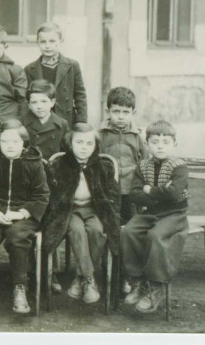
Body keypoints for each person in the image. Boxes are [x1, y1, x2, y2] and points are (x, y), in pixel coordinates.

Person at [0, 119, 49, 314]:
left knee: (17, 236)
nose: (10, 146)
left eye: (15, 141)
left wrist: (22, 212)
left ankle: (20, 286)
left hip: (23, 214)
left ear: (24, 143)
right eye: (5, 142)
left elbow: (41, 195)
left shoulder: (34, 164)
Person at [42, 123, 120, 304]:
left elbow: (113, 195)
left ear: (95, 146)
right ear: (70, 143)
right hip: (70, 210)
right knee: (76, 230)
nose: (84, 148)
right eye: (79, 142)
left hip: (94, 210)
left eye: (88, 144)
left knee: (97, 231)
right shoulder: (60, 165)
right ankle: (89, 278)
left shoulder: (103, 166)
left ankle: (80, 277)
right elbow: (53, 195)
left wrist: (109, 212)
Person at [122, 120, 189, 314]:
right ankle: (138, 280)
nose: (160, 146)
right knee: (129, 232)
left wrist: (149, 190)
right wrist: (161, 192)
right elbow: (134, 194)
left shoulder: (179, 167)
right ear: (147, 144)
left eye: (166, 141)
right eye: (154, 141)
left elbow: (174, 195)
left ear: (174, 144)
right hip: (149, 213)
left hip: (174, 214)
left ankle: (156, 285)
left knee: (155, 236)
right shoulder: (142, 166)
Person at [99, 87, 149, 294]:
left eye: (125, 112)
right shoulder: (100, 135)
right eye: (116, 111)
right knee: (110, 233)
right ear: (107, 110)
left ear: (133, 113)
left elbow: (145, 164)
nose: (120, 117)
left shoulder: (138, 137)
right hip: (108, 194)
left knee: (130, 235)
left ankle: (129, 276)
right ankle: (111, 275)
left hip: (131, 195)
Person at [24, 22, 87, 125]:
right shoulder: (30, 69)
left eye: (52, 41)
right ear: (37, 43)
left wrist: (81, 121)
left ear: (61, 41)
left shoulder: (72, 66)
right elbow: (27, 100)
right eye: (43, 42)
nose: (48, 46)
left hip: (65, 120)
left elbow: (80, 95)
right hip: (39, 121)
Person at [19, 79, 69, 160]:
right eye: (34, 102)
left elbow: (66, 154)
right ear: (28, 105)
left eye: (44, 101)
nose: (39, 106)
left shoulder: (62, 124)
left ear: (52, 102)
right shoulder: (20, 123)